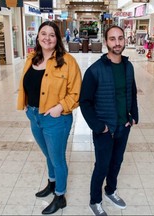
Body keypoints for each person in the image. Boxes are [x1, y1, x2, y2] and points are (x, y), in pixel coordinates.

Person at [17, 21, 82, 215]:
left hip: (56, 119)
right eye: (43, 33)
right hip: (34, 116)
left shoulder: (67, 61)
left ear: (57, 39)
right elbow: (27, 84)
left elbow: (76, 92)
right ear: (38, 37)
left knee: (57, 159)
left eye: (52, 34)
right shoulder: (31, 59)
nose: (47, 38)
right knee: (49, 155)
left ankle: (60, 196)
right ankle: (52, 184)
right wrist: (27, 104)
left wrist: (60, 107)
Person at [79, 25, 139, 215]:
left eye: (120, 38)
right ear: (106, 42)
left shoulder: (128, 66)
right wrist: (98, 126)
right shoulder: (94, 71)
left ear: (125, 40)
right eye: (112, 39)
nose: (117, 42)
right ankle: (94, 201)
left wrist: (134, 115)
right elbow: (85, 102)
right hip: (105, 129)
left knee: (117, 162)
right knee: (102, 166)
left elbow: (132, 92)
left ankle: (110, 190)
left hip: (123, 126)